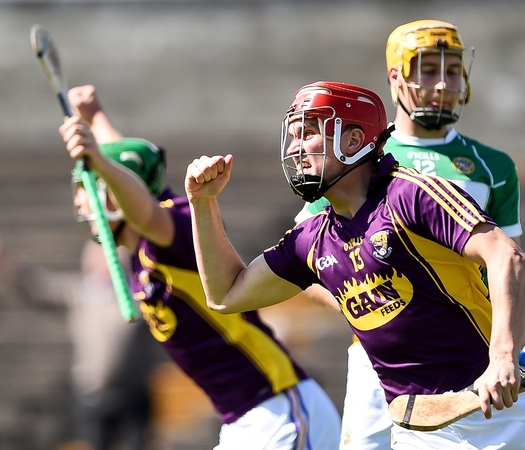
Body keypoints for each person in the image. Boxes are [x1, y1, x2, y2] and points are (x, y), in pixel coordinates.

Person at [185, 81, 525, 449]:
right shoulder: (311, 239)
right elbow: (226, 294)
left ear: (353, 141)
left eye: (309, 133)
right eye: (294, 135)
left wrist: (503, 358)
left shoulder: (411, 194)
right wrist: (202, 203)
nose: (295, 148)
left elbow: (509, 258)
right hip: (418, 427)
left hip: (498, 413)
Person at [294, 20, 525, 448]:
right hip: (376, 357)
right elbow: (306, 263)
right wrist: (371, 309)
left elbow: (510, 263)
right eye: (427, 70)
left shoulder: (492, 166)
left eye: (453, 70)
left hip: (465, 350)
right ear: (395, 77)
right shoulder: (358, 160)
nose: (442, 84)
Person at [58, 85, 341, 450]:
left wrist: (98, 159)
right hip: (243, 419)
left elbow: (141, 206)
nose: (80, 202)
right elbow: (132, 166)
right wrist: (96, 116)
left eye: (88, 188)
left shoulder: (174, 226)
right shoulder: (140, 248)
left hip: (276, 407)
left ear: (116, 195)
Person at [0, 231, 163, 450]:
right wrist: (2, 263)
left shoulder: (138, 295)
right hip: (92, 394)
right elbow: (37, 287)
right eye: (98, 255)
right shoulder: (80, 293)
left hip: (133, 395)